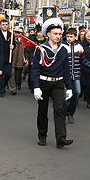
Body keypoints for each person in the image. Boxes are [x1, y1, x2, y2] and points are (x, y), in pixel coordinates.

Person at [30, 18, 74, 148]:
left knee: (59, 110)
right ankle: (42, 135)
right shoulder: (41, 49)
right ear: (48, 34)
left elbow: (66, 70)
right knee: (42, 111)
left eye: (60, 34)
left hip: (58, 83)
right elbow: (35, 70)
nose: (58, 36)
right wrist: (36, 87)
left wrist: (69, 88)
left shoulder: (63, 50)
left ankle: (61, 138)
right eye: (55, 33)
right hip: (44, 83)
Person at [63, 27, 84, 124]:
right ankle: (63, 115)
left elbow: (83, 60)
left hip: (76, 74)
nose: (69, 38)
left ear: (76, 37)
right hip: (65, 75)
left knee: (77, 92)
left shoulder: (79, 47)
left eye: (71, 36)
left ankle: (70, 112)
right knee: (64, 95)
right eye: (67, 36)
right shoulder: (63, 46)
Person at [0, 19, 12, 97]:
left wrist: (13, 46)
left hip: (8, 57)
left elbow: (14, 44)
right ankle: (0, 90)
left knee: (8, 74)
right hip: (0, 57)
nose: (5, 26)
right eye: (3, 24)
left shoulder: (10, 34)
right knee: (0, 74)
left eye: (6, 24)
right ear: (0, 25)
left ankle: (3, 85)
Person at [8, 27, 26, 95]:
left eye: (19, 33)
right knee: (11, 74)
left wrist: (26, 59)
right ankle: (13, 88)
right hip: (12, 60)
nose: (17, 34)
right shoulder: (11, 40)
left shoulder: (24, 41)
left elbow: (26, 51)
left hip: (20, 61)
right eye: (16, 33)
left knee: (18, 75)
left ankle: (17, 84)